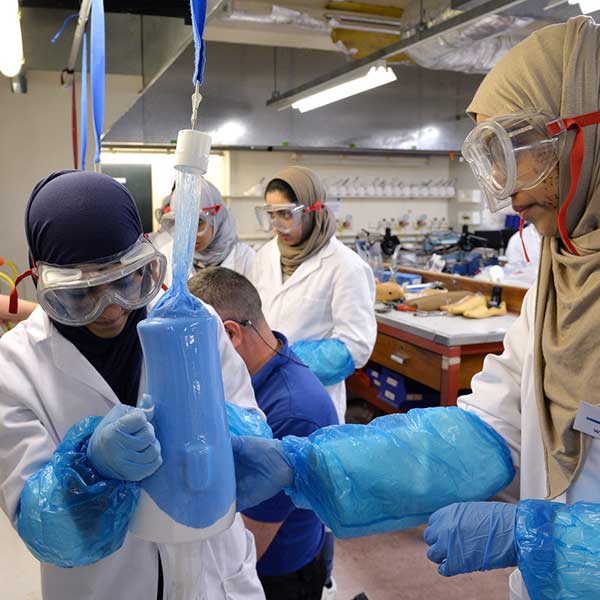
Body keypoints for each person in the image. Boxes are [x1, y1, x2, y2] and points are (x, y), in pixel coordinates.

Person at [0, 170, 265, 600]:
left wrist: (236, 446)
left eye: (127, 280)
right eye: (83, 293)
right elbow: (43, 527)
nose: (110, 310)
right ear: (44, 286)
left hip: (213, 575)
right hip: (105, 584)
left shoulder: (194, 321)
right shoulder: (13, 368)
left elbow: (246, 417)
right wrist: (91, 469)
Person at [423, 15, 600, 600]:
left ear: (584, 133)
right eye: (489, 161)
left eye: (516, 152)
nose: (507, 190)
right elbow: (492, 425)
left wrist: (544, 538)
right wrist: (319, 467)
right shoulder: (560, 275)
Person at [251, 166, 376, 598]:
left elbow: (355, 347)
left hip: (312, 406)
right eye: (270, 215)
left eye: (286, 214)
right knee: (265, 491)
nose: (277, 226)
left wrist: (282, 358)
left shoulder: (346, 267)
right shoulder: (265, 256)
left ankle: (316, 574)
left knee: (308, 503)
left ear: (314, 209)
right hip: (261, 398)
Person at [188, 267, 339, 600]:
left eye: (195, 347)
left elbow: (253, 542)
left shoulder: (292, 411)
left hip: (276, 573)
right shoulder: (262, 367)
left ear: (230, 336)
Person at [152, 179, 255, 285]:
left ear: (217, 218)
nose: (190, 236)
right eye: (183, 224)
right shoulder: (167, 256)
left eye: (198, 223)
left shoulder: (245, 259)